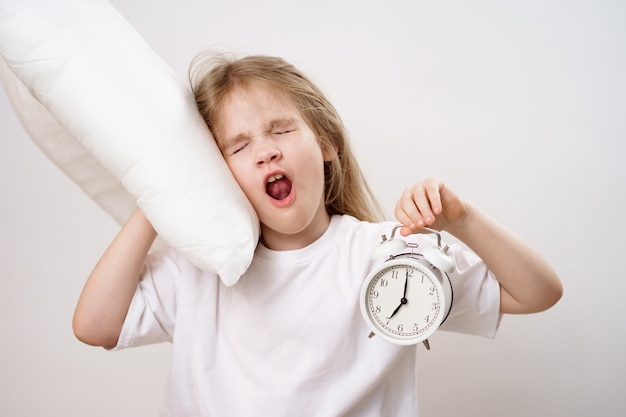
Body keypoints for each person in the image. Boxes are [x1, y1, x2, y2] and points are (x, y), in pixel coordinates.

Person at [72, 53, 563, 416]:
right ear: (215, 172)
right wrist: (163, 193)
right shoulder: (199, 270)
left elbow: (538, 292)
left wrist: (461, 220)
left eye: (281, 130)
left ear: (326, 144)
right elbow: (95, 326)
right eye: (238, 146)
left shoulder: (387, 256)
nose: (264, 152)